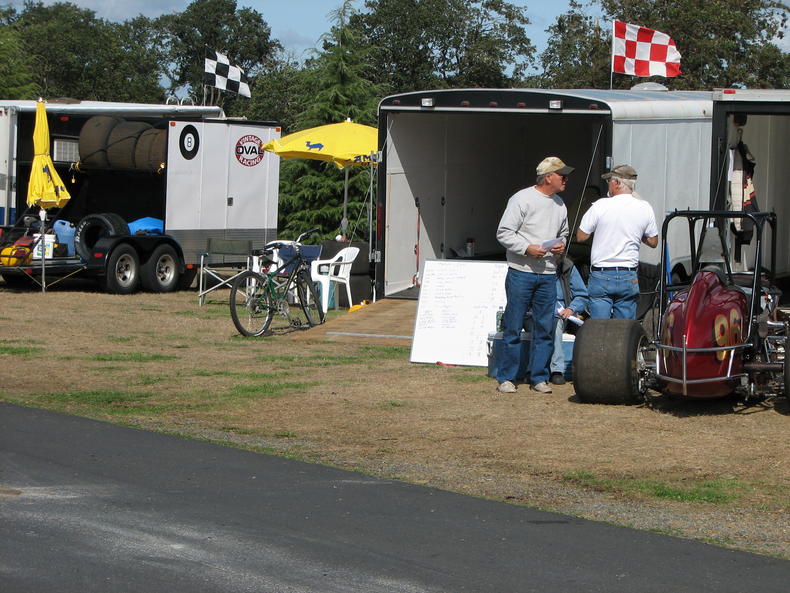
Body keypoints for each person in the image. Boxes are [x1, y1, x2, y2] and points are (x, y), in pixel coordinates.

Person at [495, 156, 572, 394]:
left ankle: (539, 377)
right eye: (562, 175)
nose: (566, 179)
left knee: (546, 327)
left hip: (548, 274)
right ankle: (507, 378)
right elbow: (504, 233)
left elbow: (564, 233)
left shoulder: (560, 204)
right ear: (548, 177)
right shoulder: (521, 199)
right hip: (521, 272)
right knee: (513, 325)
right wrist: (527, 249)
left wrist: (561, 246)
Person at [576, 165, 658, 319]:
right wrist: (634, 232)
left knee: (599, 328)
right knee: (624, 331)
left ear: (617, 183)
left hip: (602, 273)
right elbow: (653, 242)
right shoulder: (644, 207)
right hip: (628, 274)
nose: (608, 185)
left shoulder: (600, 205)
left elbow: (581, 236)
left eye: (609, 181)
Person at [550, 257, 589, 385]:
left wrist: (571, 308)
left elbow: (582, 296)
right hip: (537, 310)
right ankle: (532, 370)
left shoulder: (568, 266)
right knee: (536, 326)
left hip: (560, 312)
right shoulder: (533, 263)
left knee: (555, 326)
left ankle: (557, 370)